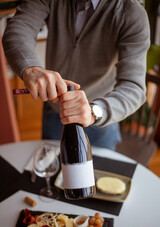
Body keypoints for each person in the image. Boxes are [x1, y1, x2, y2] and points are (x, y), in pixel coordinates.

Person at [2, 0, 150, 150]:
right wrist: (31, 68)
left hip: (100, 120)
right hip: (55, 110)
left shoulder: (132, 14)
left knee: (97, 172)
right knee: (53, 167)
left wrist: (94, 111)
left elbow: (134, 87)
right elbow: (20, 28)